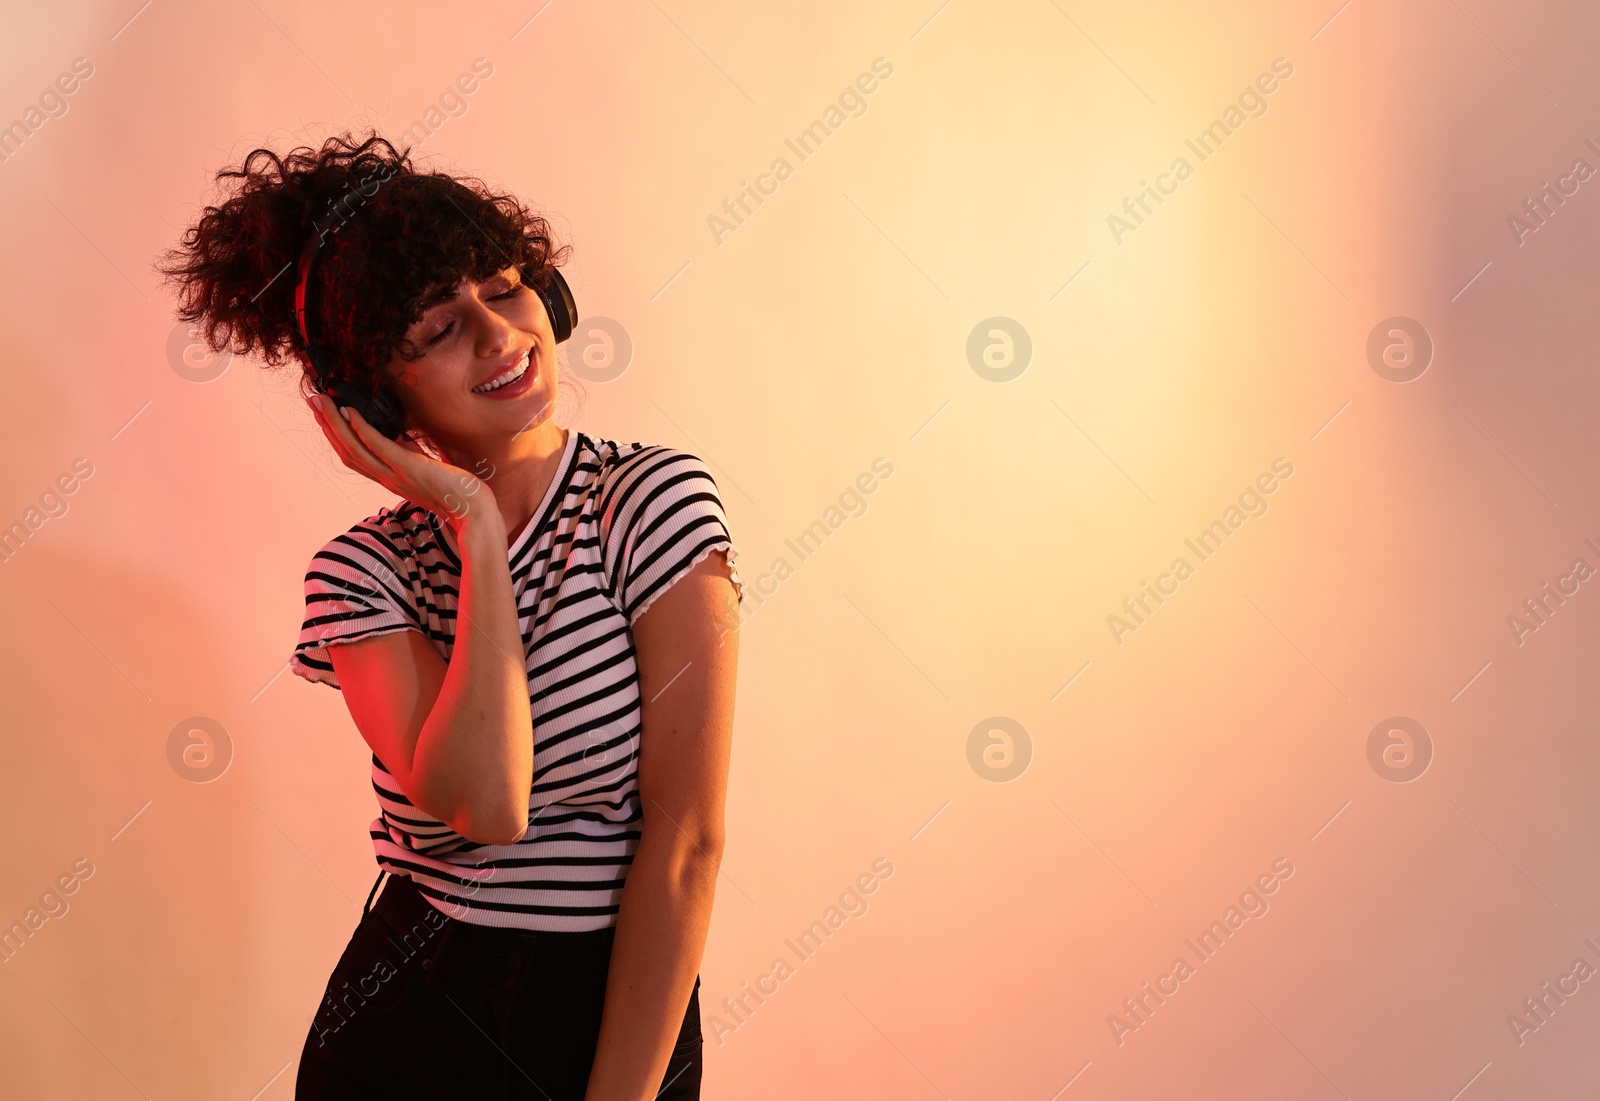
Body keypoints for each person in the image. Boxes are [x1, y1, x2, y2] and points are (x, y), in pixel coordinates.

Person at [158, 133, 744, 1099]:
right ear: (369, 396)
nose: (498, 333)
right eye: (435, 330)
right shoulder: (360, 575)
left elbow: (688, 840)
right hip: (409, 1011)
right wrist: (472, 524)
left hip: (608, 1007)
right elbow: (489, 805)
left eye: (505, 287)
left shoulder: (651, 502)